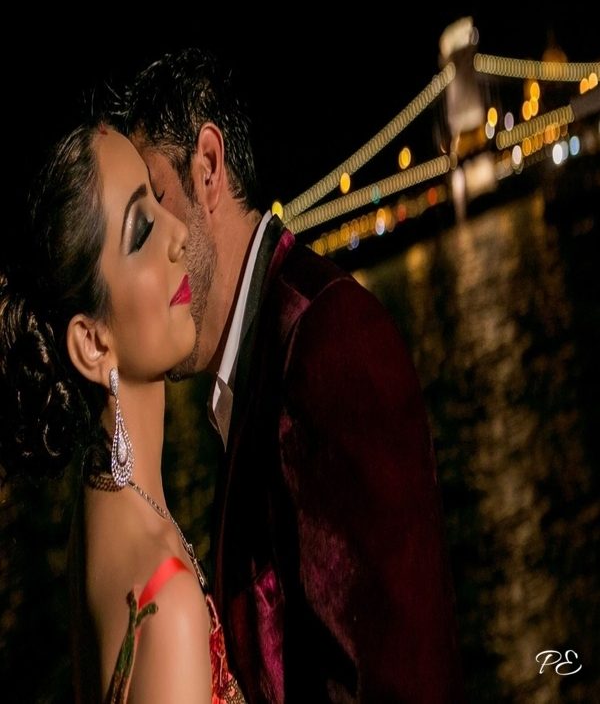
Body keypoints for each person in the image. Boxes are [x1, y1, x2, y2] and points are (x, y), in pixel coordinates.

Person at [113, 47, 466, 702]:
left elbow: (395, 680)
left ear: (208, 167)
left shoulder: (329, 346)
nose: (151, 253)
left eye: (154, 205)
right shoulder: (258, 360)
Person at [0, 121, 245, 703]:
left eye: (158, 204)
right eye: (141, 231)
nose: (179, 234)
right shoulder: (168, 608)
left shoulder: (95, 515)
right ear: (92, 343)